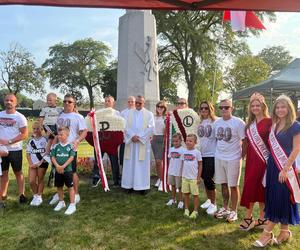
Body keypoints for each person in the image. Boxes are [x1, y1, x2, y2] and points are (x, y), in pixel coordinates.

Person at [253, 95, 300, 247]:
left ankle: (266, 234)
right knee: (276, 197)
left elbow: (297, 148)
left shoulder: (295, 126)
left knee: (280, 197)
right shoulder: (274, 125)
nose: (280, 110)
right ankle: (285, 231)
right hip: (273, 167)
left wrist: (285, 169)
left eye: (283, 107)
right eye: (278, 107)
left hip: (285, 167)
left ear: (289, 108)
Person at [240, 93, 272, 231]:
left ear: (263, 106)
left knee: (261, 187)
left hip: (264, 160)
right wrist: (242, 155)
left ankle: (262, 218)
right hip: (252, 160)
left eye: (257, 105)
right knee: (251, 186)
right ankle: (250, 217)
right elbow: (246, 143)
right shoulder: (249, 124)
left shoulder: (270, 121)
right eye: (252, 105)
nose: (255, 107)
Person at [49, 94, 87, 205]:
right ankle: (59, 194)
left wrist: (77, 140)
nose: (66, 103)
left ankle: (76, 194)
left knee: (72, 172)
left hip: (70, 149)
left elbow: (84, 131)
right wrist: (53, 146)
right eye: (65, 101)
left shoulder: (78, 117)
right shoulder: (59, 116)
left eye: (69, 102)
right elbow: (57, 133)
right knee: (58, 170)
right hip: (59, 148)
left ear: (74, 104)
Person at [214, 99, 246, 223]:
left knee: (233, 185)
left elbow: (245, 141)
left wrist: (241, 156)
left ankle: (234, 211)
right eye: (221, 107)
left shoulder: (238, 122)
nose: (223, 109)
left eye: (226, 107)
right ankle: (225, 208)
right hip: (219, 157)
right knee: (223, 184)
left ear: (232, 108)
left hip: (233, 158)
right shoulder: (217, 123)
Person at [121, 95, 154, 194]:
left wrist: (139, 137)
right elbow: (124, 126)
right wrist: (132, 136)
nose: (138, 104)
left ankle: (142, 187)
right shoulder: (128, 113)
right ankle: (129, 186)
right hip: (131, 143)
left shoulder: (149, 114)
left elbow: (150, 128)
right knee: (130, 164)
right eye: (137, 103)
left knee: (141, 165)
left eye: (140, 103)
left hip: (141, 144)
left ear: (144, 103)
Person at [0, 94, 28, 203]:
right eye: (7, 100)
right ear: (4, 102)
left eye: (11, 100)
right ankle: (3, 195)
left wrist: (9, 141)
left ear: (15, 103)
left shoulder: (20, 117)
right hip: (1, 150)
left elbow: (25, 134)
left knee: (18, 172)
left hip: (15, 149)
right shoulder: (0, 114)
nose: (9, 102)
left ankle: (22, 195)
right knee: (4, 174)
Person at [92, 95, 121, 187]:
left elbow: (119, 126)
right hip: (101, 140)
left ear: (113, 103)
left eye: (109, 101)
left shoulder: (117, 113)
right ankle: (96, 178)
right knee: (97, 161)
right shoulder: (99, 113)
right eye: (106, 101)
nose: (107, 102)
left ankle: (116, 181)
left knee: (114, 162)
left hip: (111, 142)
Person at [198, 101, 218, 215]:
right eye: (202, 108)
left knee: (208, 178)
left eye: (206, 108)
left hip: (212, 154)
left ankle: (214, 204)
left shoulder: (216, 121)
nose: (204, 110)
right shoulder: (198, 122)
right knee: (203, 177)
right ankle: (209, 200)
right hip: (201, 154)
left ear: (210, 109)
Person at [51, 127, 76, 215]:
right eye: (58, 135)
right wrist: (57, 166)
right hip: (58, 170)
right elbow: (53, 157)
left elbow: (71, 157)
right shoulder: (56, 146)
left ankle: (72, 204)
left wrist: (63, 166)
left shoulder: (71, 146)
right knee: (59, 186)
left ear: (67, 135)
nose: (59, 136)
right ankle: (61, 202)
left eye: (62, 135)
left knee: (70, 187)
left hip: (67, 170)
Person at [26, 122, 49, 206]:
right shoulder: (30, 140)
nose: (35, 130)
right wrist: (31, 163)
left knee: (40, 179)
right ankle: (35, 195)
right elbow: (28, 153)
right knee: (31, 181)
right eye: (34, 129)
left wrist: (41, 162)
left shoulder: (45, 139)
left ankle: (39, 196)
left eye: (37, 128)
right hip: (33, 164)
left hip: (42, 163)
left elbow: (47, 153)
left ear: (41, 129)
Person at [182, 134, 202, 219]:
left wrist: (198, 177)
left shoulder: (197, 152)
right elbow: (183, 163)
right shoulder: (184, 151)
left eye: (190, 141)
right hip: (185, 177)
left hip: (193, 178)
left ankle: (195, 211)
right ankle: (186, 209)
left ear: (195, 142)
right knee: (186, 194)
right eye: (187, 140)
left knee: (195, 195)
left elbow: (200, 165)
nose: (188, 142)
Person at [166, 133, 184, 209]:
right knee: (172, 185)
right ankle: (173, 199)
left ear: (181, 141)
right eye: (174, 141)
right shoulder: (171, 149)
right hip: (171, 171)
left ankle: (181, 201)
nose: (175, 143)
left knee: (179, 187)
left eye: (177, 141)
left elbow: (183, 162)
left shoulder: (183, 150)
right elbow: (170, 159)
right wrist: (169, 169)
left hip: (179, 172)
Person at [151, 100, 167, 189]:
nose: (160, 108)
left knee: (159, 161)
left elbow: (167, 131)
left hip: (162, 139)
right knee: (157, 162)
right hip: (154, 139)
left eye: (162, 107)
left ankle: (162, 180)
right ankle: (159, 178)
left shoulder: (165, 118)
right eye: (158, 106)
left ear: (164, 109)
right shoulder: (153, 117)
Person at [119, 96, 136, 170]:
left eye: (132, 101)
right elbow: (121, 125)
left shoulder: (138, 112)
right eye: (129, 101)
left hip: (135, 139)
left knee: (134, 159)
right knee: (123, 158)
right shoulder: (123, 113)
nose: (130, 103)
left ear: (135, 102)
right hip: (125, 139)